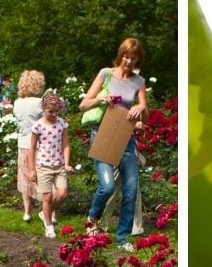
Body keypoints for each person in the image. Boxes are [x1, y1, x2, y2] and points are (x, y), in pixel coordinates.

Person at [80, 37, 149, 252]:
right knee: (107, 186)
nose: (129, 61)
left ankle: (122, 238)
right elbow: (83, 105)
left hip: (126, 139)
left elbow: (145, 118)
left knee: (130, 189)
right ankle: (92, 221)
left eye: (133, 57)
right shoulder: (105, 74)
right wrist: (103, 98)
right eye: (126, 56)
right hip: (102, 135)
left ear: (138, 59)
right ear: (121, 55)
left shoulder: (139, 82)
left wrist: (140, 110)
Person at [28, 93, 72, 238]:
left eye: (56, 111)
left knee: (62, 194)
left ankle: (44, 212)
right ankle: (49, 226)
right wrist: (31, 169)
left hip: (59, 165)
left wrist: (66, 163)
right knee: (47, 197)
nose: (54, 114)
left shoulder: (62, 124)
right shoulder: (38, 126)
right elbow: (32, 149)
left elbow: (66, 145)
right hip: (43, 166)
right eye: (50, 111)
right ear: (43, 109)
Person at [12, 70, 46, 223]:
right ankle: (46, 211)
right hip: (39, 144)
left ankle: (27, 212)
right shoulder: (39, 102)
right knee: (43, 176)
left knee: (25, 176)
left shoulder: (17, 103)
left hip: (23, 142)